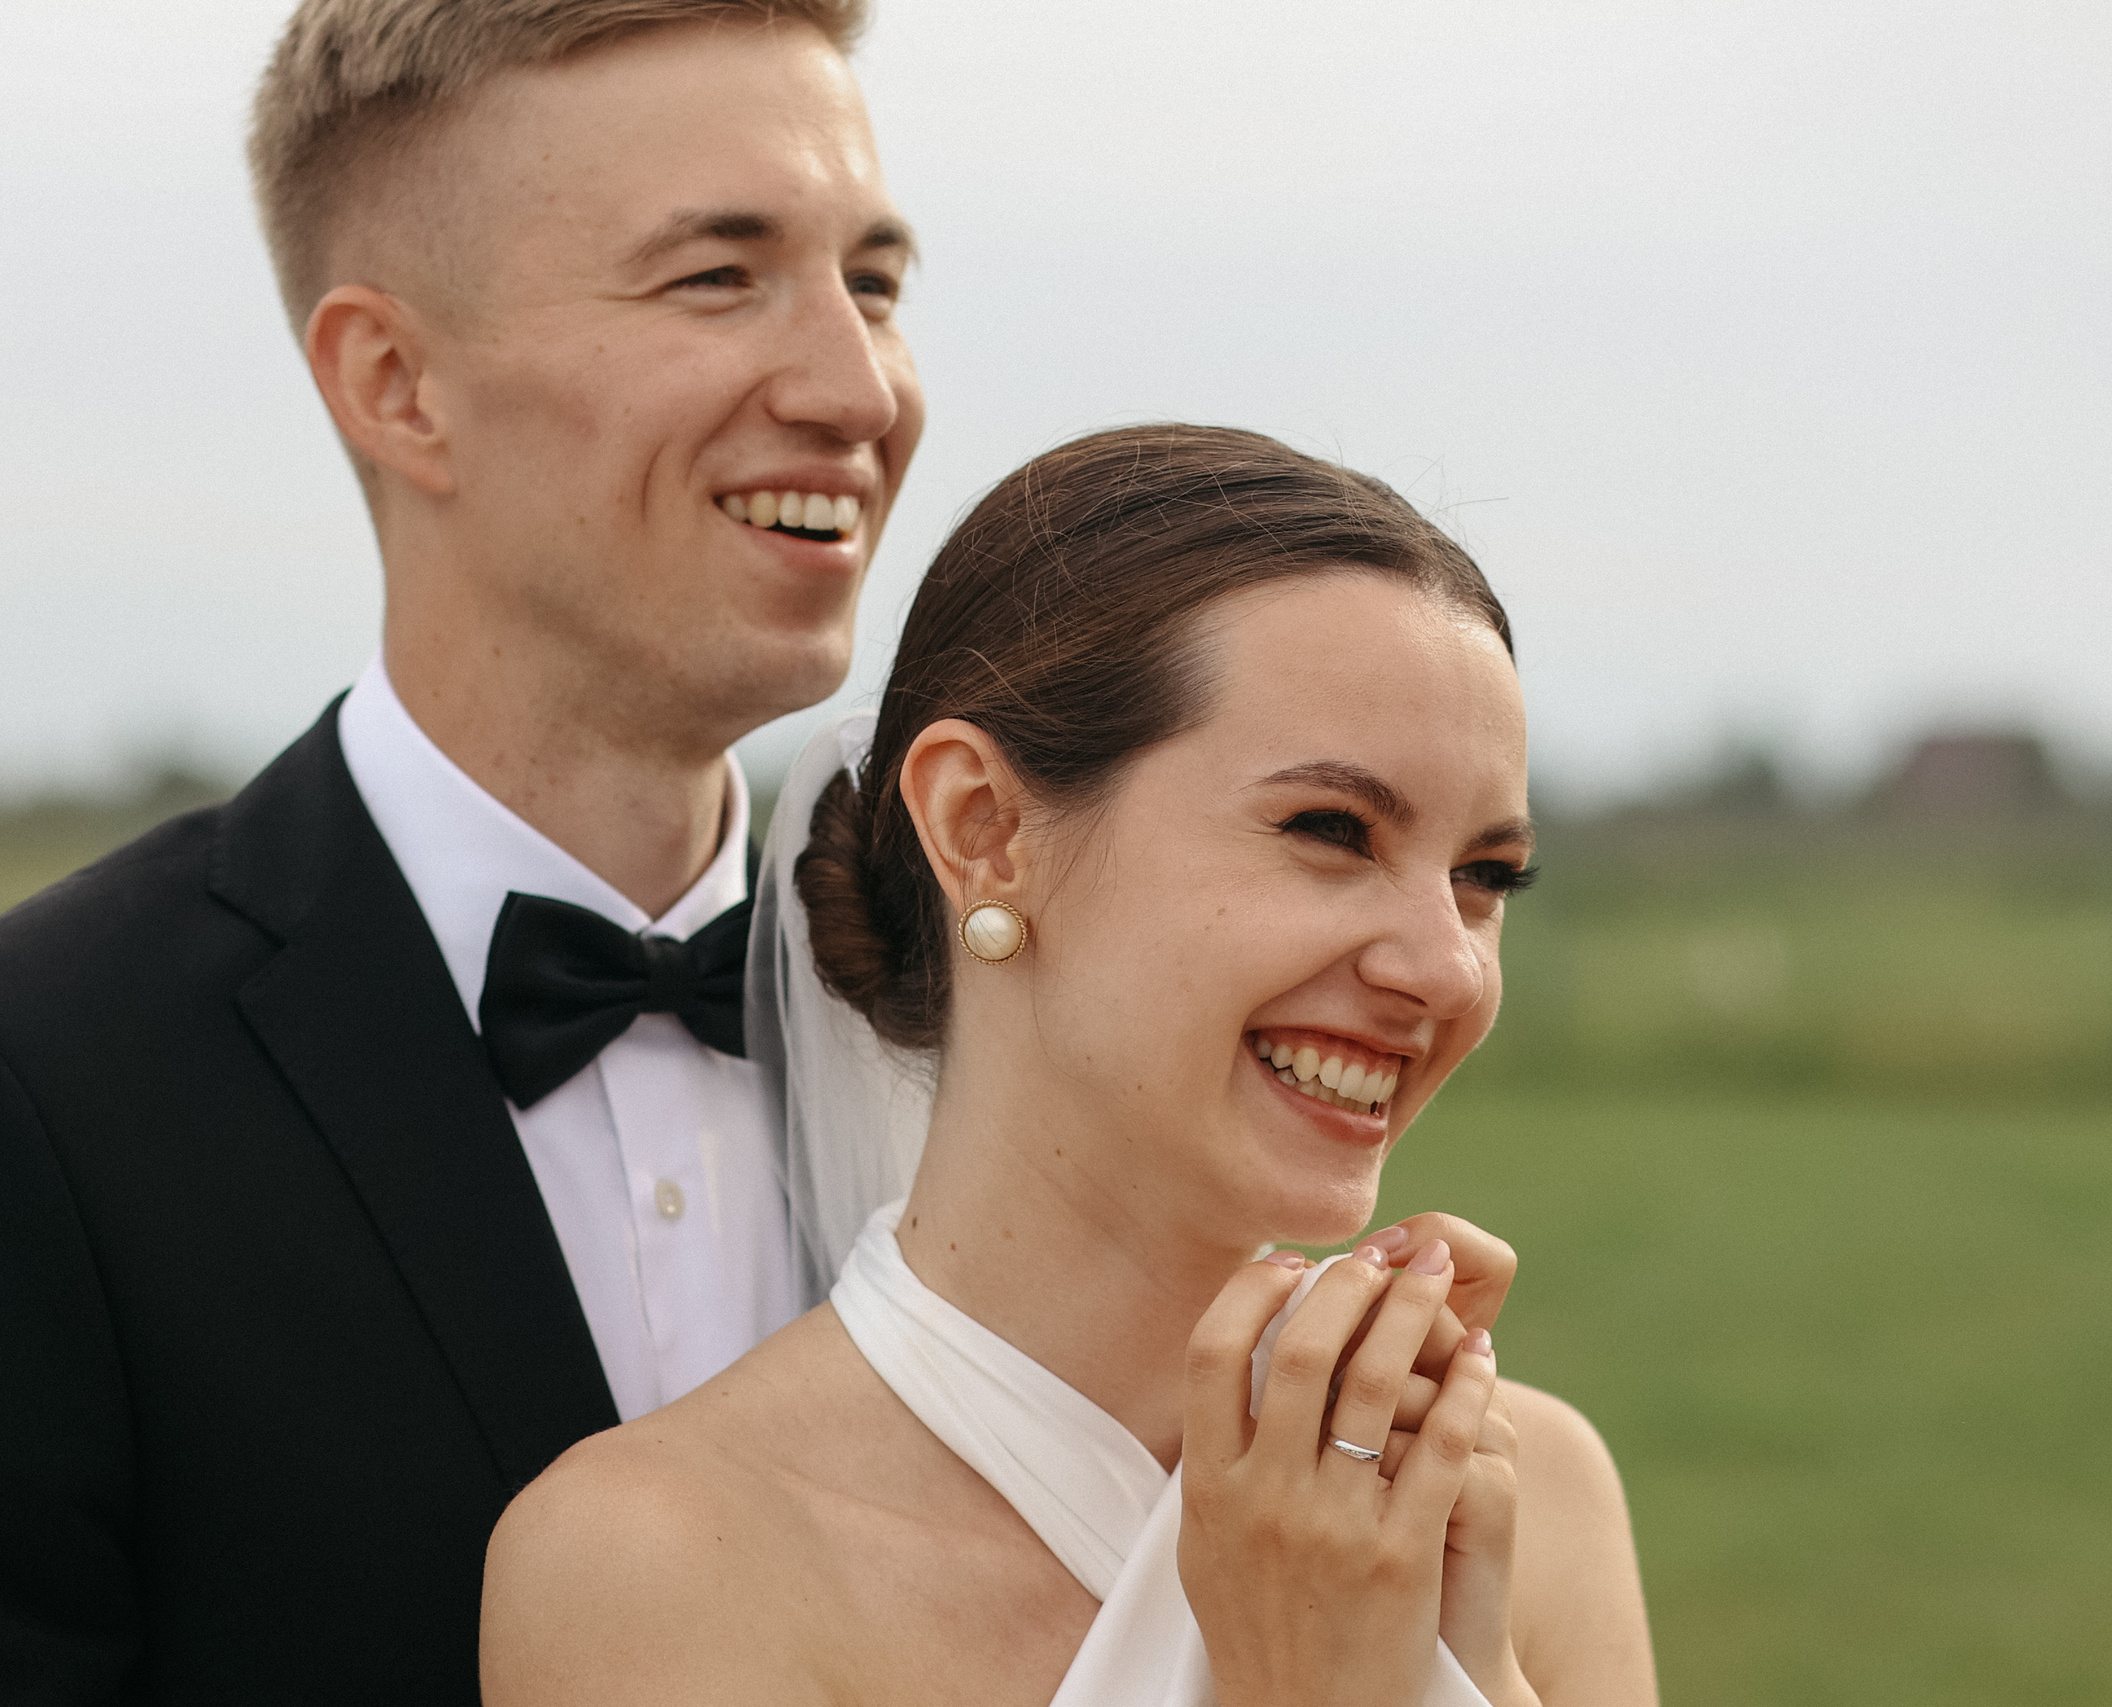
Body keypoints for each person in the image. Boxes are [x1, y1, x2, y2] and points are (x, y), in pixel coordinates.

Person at [0, 1, 920, 1699]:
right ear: (395, 383)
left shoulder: (989, 1029)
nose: (859, 386)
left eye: (872, 280)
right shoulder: (44, 1076)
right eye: (720, 276)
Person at [480, 425, 1658, 1704]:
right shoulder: (654, 1569)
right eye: (1331, 829)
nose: (1447, 970)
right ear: (982, 830)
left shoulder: (1520, 1495)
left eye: (1484, 877)